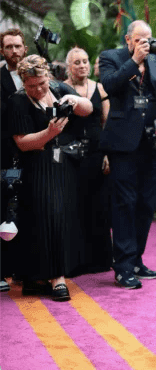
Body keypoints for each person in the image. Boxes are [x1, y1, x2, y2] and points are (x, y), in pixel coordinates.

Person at [99, 20, 156, 289]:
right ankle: (122, 267)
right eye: (139, 40)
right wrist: (134, 61)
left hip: (152, 142)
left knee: (146, 204)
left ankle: (136, 260)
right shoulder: (111, 57)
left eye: (149, 39)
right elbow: (110, 86)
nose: (146, 44)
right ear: (128, 39)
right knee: (124, 203)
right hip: (124, 143)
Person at [8, 55, 93, 301]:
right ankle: (54, 279)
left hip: (61, 165)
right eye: (31, 85)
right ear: (23, 82)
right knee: (43, 219)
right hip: (35, 167)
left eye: (41, 83)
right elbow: (22, 144)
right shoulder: (17, 101)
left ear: (49, 76)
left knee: (60, 216)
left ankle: (43, 278)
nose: (37, 89)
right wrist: (49, 132)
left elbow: (88, 110)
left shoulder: (59, 88)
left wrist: (76, 99)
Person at [64, 47, 113, 274]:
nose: (82, 65)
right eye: (77, 62)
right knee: (74, 207)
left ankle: (101, 260)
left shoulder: (100, 88)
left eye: (85, 61)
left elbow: (107, 123)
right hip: (71, 157)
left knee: (99, 207)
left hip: (96, 154)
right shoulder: (61, 88)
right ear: (69, 66)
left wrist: (107, 154)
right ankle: (76, 262)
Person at [0, 28, 27, 293]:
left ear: (25, 48)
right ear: (2, 50)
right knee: (4, 208)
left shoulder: (33, 74)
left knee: (28, 207)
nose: (14, 51)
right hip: (6, 157)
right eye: (9, 47)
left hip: (32, 155)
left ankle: (23, 268)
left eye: (18, 46)